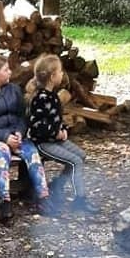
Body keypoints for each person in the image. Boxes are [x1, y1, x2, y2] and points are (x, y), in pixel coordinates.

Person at [0, 53, 52, 225]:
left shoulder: (14, 90)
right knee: (3, 153)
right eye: (6, 70)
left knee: (32, 153)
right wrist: (5, 138)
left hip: (14, 136)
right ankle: (5, 202)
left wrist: (19, 133)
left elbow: (22, 117)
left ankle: (43, 198)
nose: (10, 72)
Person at [27, 54, 96, 214]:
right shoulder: (40, 99)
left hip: (55, 139)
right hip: (43, 143)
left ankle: (56, 186)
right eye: (60, 71)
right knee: (75, 162)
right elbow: (37, 127)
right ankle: (80, 201)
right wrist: (55, 133)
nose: (62, 74)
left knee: (81, 155)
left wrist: (63, 130)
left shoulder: (53, 96)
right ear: (52, 77)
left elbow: (56, 119)